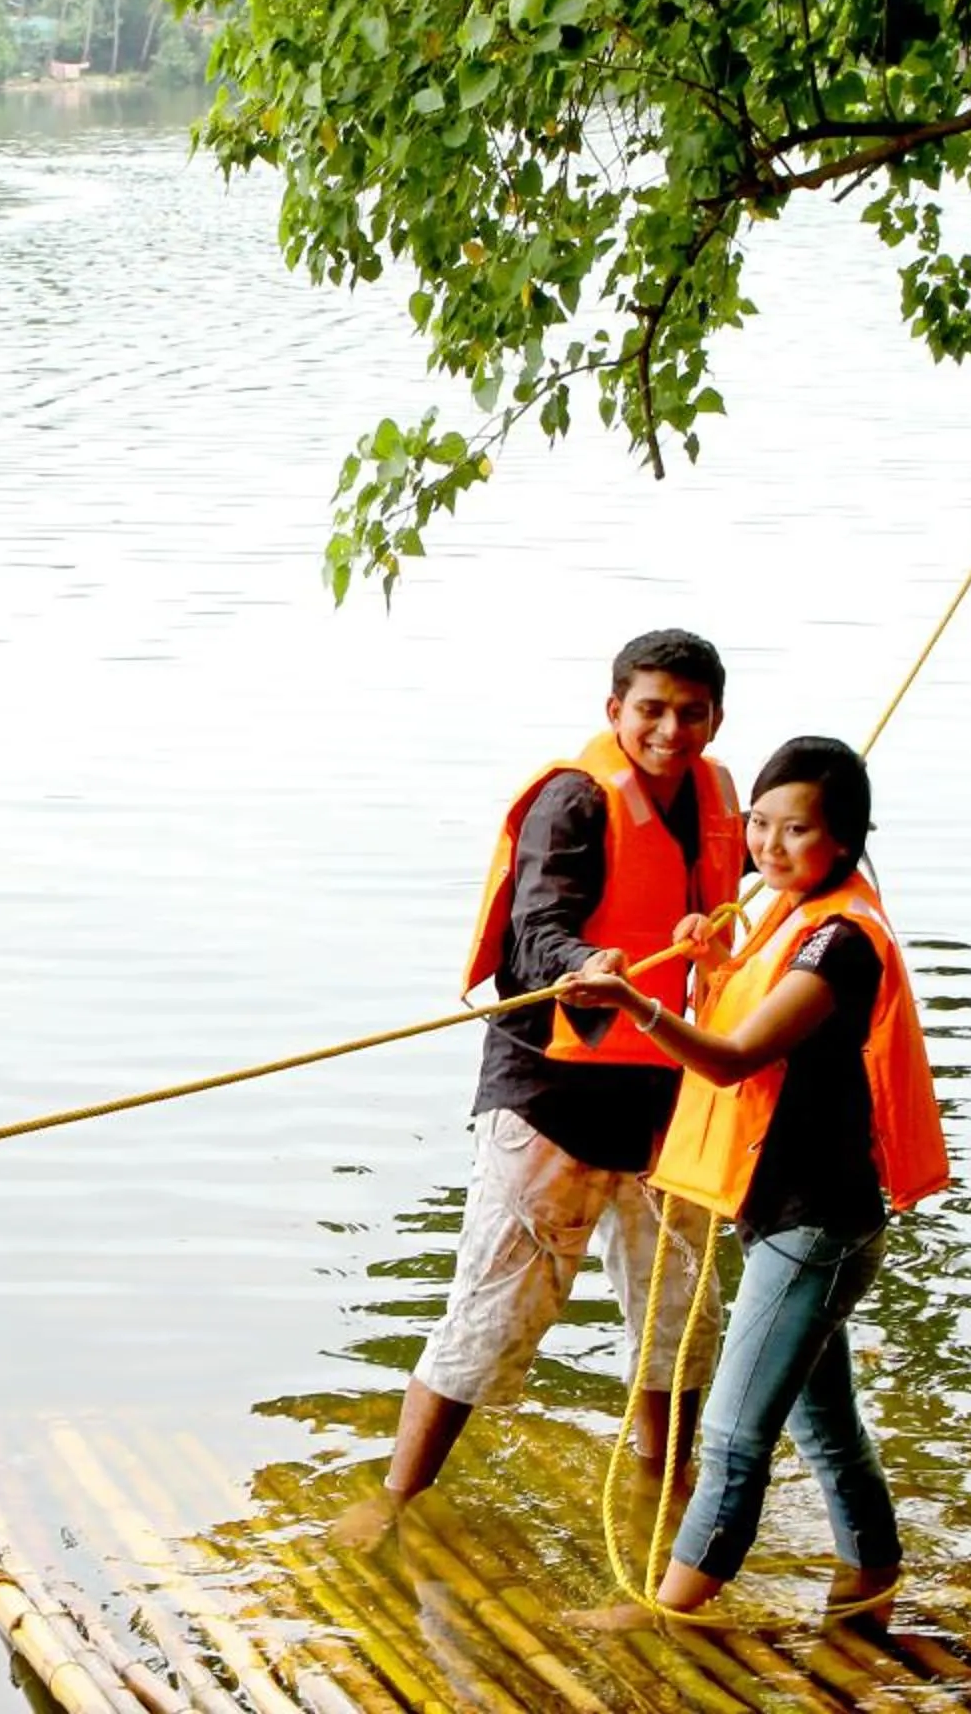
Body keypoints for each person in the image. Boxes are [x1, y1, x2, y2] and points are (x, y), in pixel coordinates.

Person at [335, 630, 744, 1549]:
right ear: (615, 712)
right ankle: (398, 1495)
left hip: (668, 1100)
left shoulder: (722, 799)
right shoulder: (574, 802)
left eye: (691, 712)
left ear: (717, 718)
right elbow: (535, 934)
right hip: (550, 1093)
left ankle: (660, 1499)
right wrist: (584, 962)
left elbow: (765, 877)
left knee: (679, 1321)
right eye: (651, 710)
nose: (671, 730)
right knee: (492, 1306)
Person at [558, 735, 950, 1625]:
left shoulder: (842, 942)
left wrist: (632, 1003)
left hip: (815, 1225)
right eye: (760, 826)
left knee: (734, 1437)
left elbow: (735, 1059)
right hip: (794, 1217)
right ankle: (873, 1581)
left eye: (797, 831)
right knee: (825, 1423)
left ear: (844, 842)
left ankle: (669, 1611)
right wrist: (705, 963)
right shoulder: (785, 914)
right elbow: (742, 1020)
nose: (771, 849)